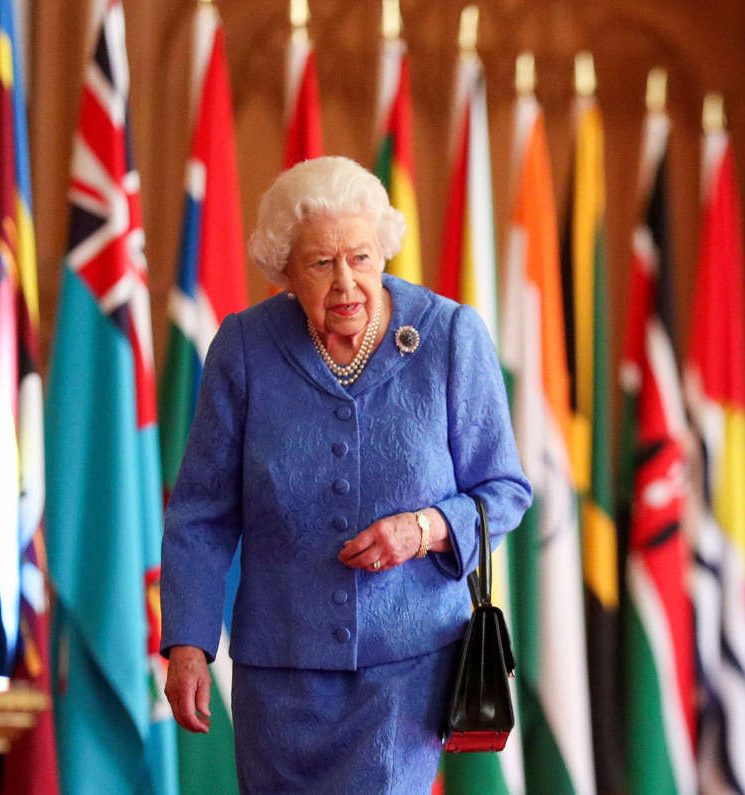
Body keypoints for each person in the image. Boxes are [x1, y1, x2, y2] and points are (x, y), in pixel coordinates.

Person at [160, 155, 531, 793]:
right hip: (278, 676)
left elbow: (505, 492)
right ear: (284, 269)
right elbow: (202, 513)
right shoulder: (244, 347)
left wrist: (424, 529)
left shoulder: (449, 337)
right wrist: (188, 645)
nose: (345, 285)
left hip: (406, 671)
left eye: (360, 259)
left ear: (384, 253)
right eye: (320, 264)